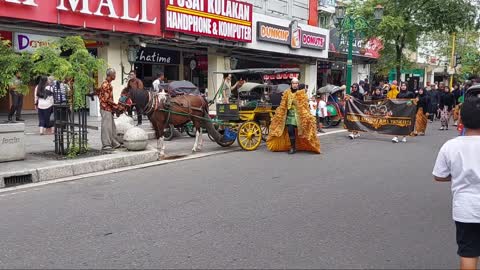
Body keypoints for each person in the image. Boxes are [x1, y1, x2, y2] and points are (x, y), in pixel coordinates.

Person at [433, 96, 480, 270]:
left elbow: (439, 175)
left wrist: (459, 175)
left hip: (465, 209)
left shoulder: (451, 146)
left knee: (468, 253)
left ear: (460, 119)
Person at [266, 78, 320, 154]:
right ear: (291, 84)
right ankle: (292, 147)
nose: (295, 85)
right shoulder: (287, 93)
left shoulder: (301, 93)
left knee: (303, 131)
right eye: (293, 83)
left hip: (299, 116)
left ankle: (302, 145)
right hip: (289, 116)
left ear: (298, 85)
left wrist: (307, 114)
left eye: (296, 83)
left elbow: (305, 106)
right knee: (290, 130)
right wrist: (280, 114)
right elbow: (283, 105)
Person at [98, 68, 123, 150]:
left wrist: (114, 107)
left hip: (108, 108)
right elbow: (107, 99)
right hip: (105, 108)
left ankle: (115, 143)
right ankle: (106, 145)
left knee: (112, 127)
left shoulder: (109, 84)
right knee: (106, 127)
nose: (115, 75)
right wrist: (117, 106)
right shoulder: (106, 85)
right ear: (110, 75)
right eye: (114, 74)